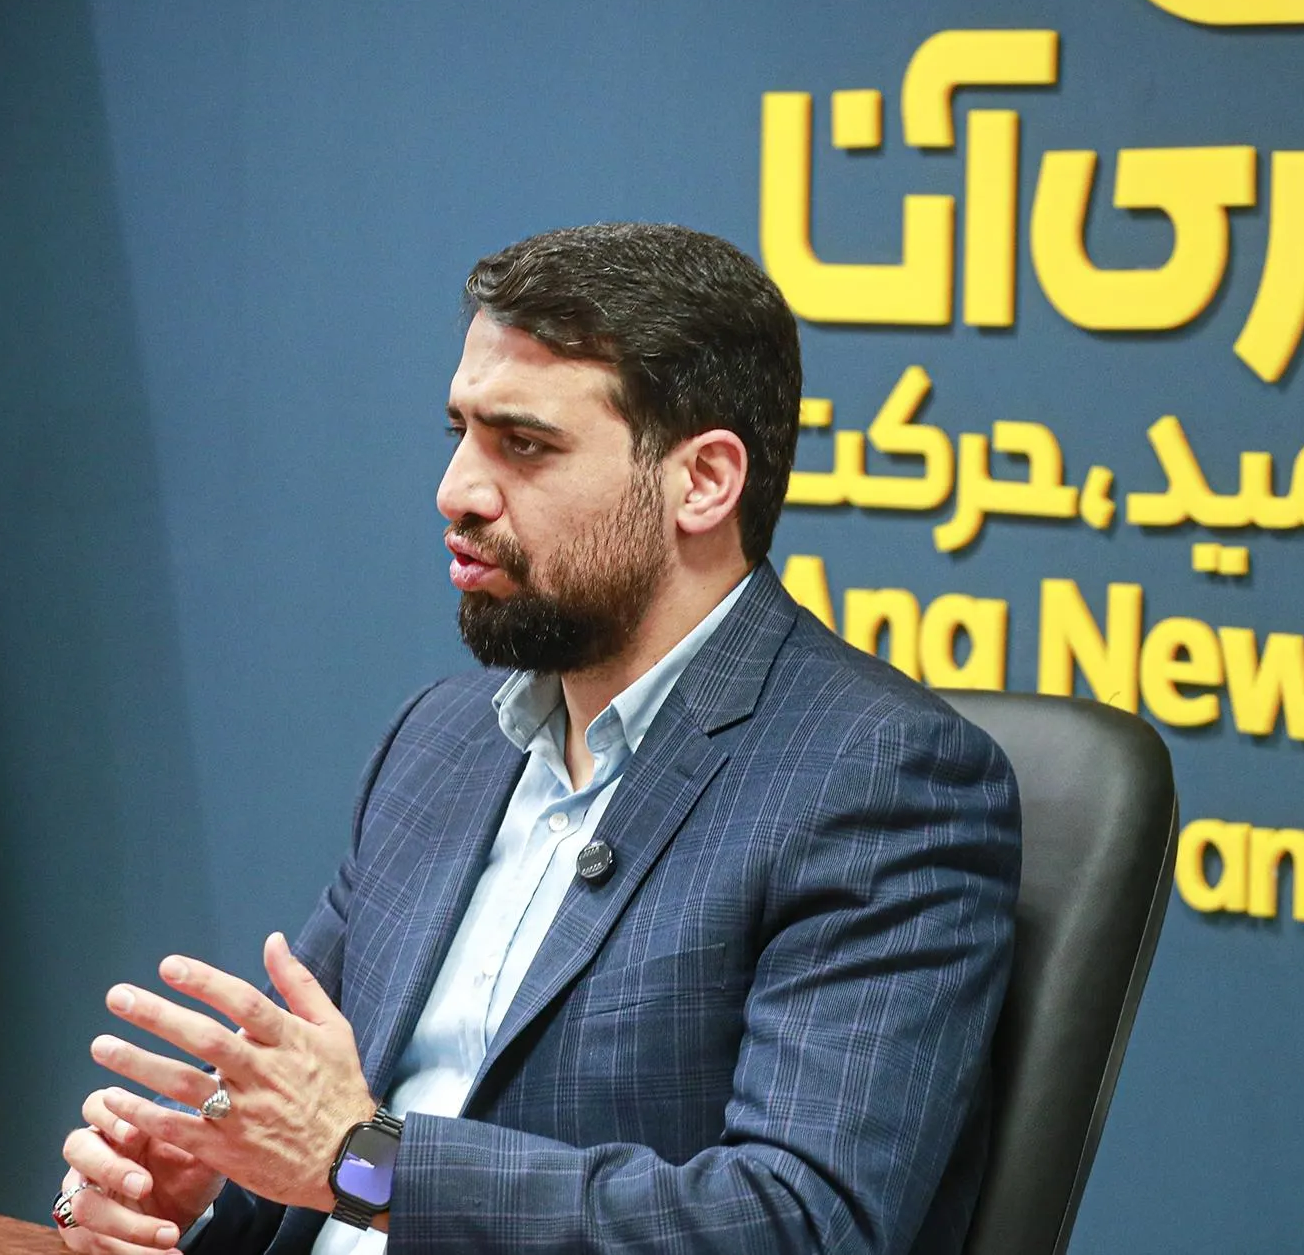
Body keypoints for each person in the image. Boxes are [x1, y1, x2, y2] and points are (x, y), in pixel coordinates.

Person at [54, 222, 1021, 1254]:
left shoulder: (879, 782)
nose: (457, 491)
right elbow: (305, 1138)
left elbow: (795, 1224)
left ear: (702, 480)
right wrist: (181, 1195)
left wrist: (360, 1158)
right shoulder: (437, 742)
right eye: (459, 432)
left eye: (523, 444)